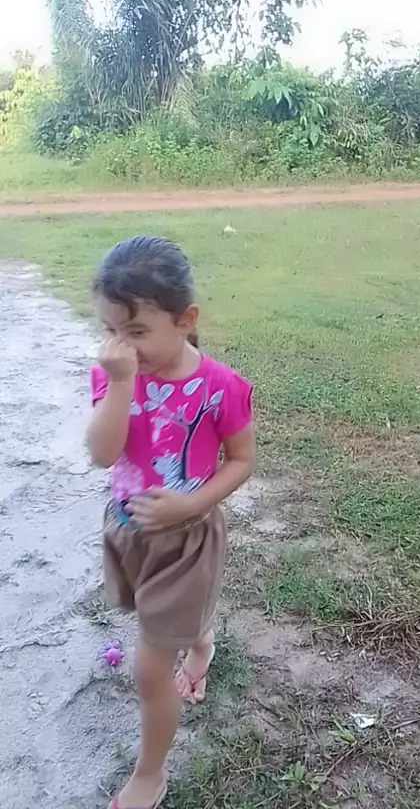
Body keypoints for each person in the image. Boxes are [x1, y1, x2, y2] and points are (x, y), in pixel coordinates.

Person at [86, 236, 255, 809]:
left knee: (150, 669)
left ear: (186, 321)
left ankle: (149, 774)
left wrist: (192, 503)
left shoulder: (221, 387)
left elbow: (242, 461)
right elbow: (103, 454)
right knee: (164, 622)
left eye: (136, 331)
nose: (120, 346)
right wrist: (121, 383)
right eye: (110, 330)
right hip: (128, 532)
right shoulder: (114, 373)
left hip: (186, 542)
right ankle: (199, 641)